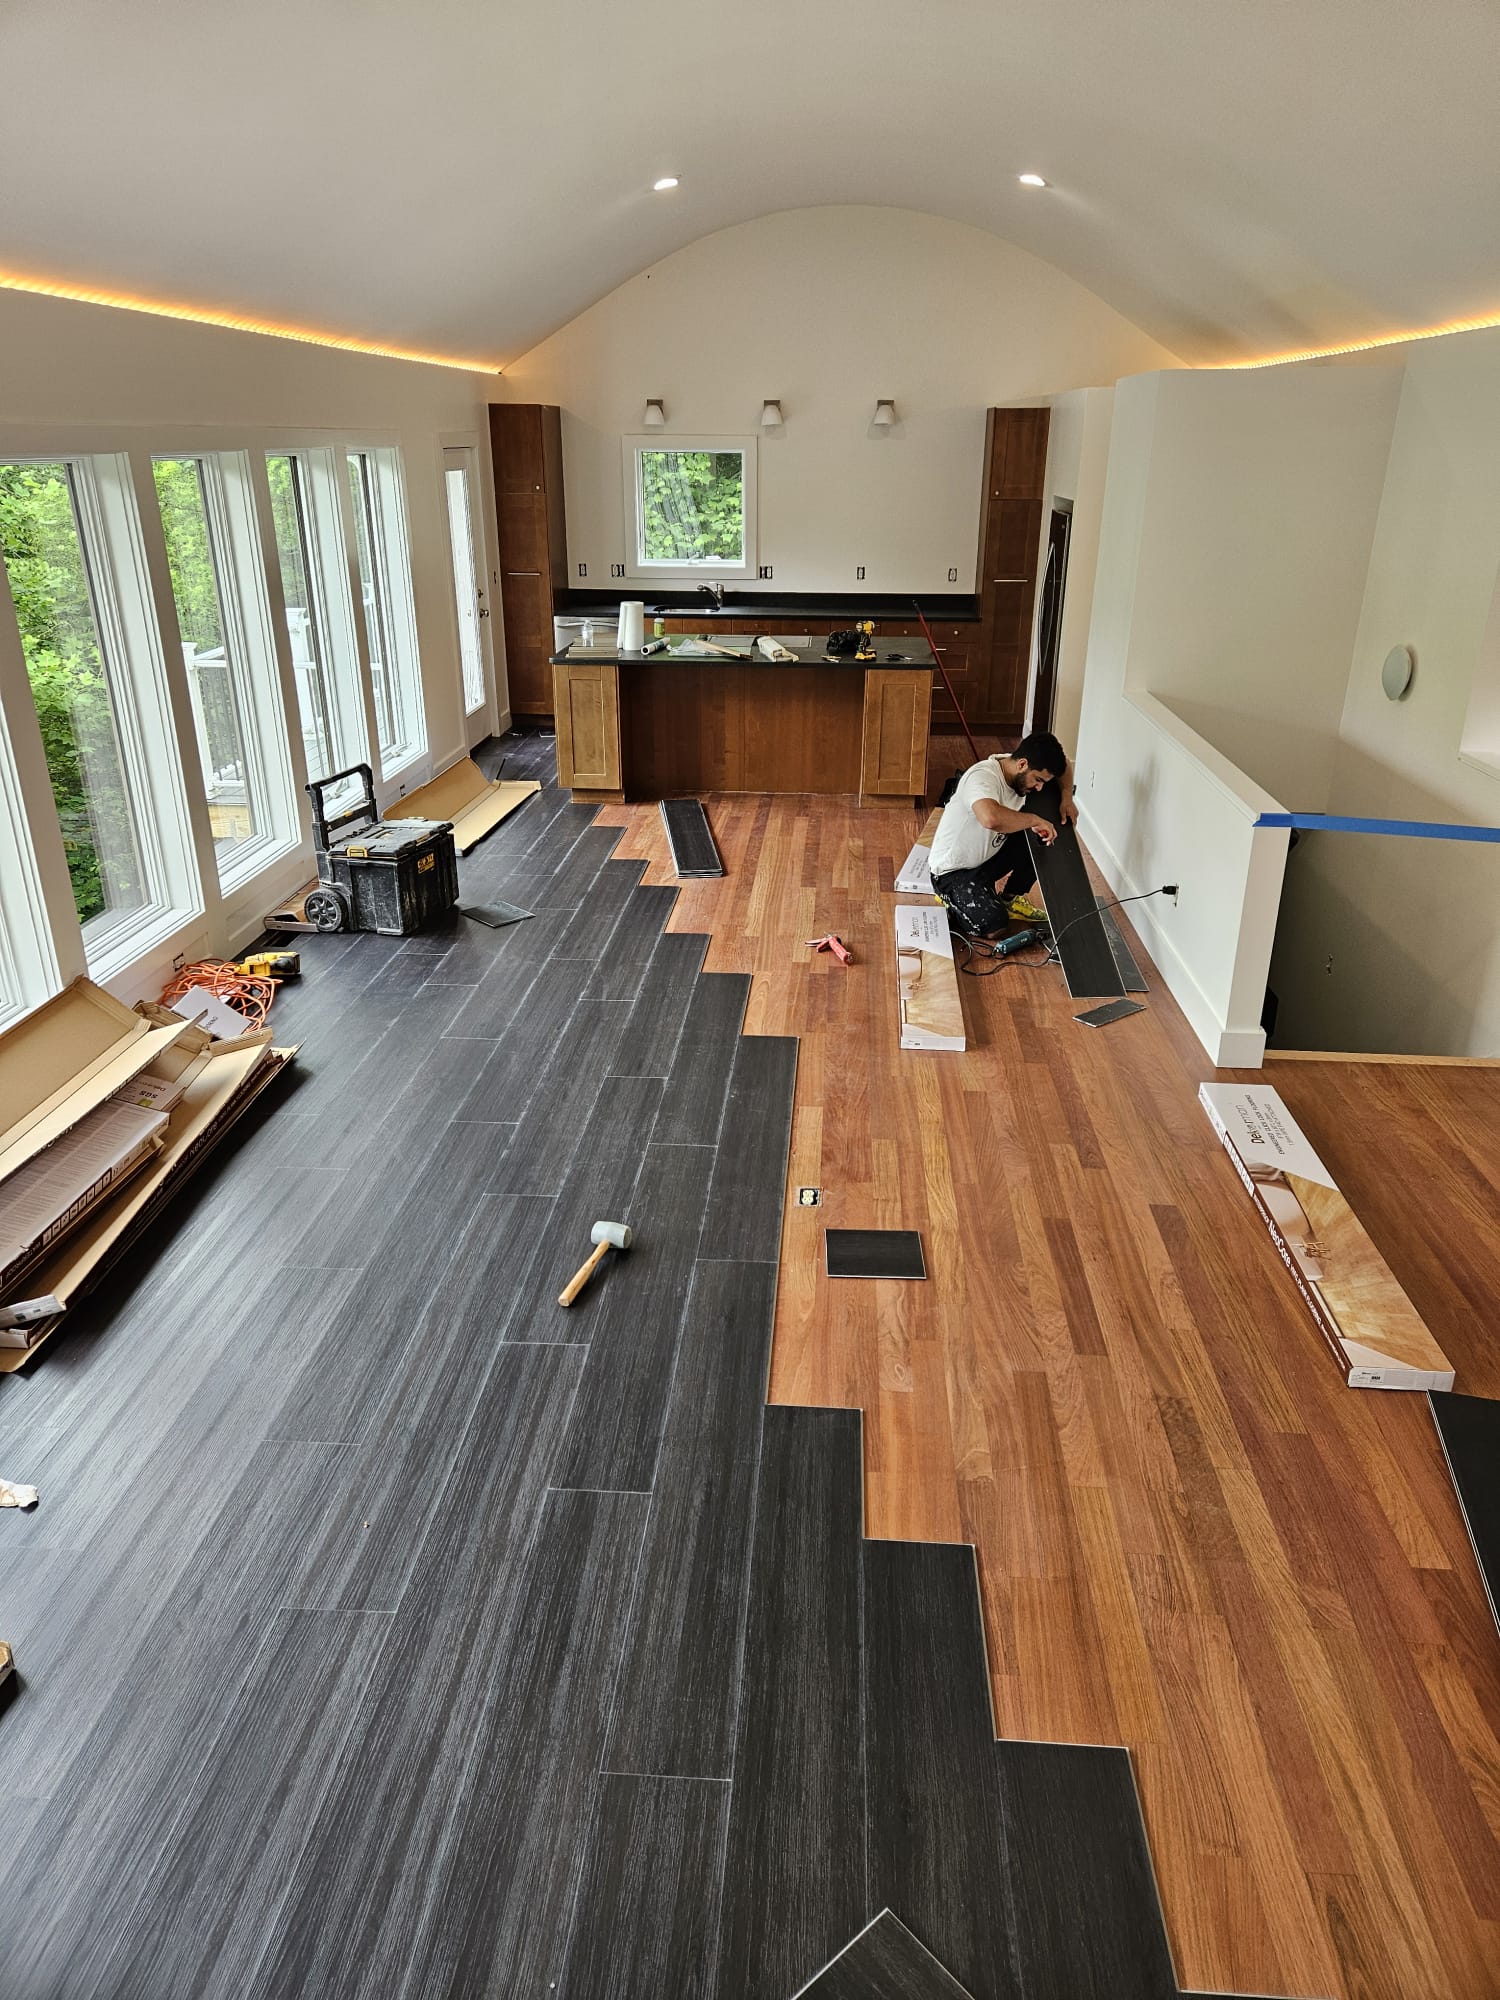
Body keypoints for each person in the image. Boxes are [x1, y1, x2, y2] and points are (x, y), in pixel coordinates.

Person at [928, 731, 1077, 938]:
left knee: (1042, 836)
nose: (1040, 787)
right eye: (1038, 780)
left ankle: (1009, 898)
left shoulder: (1019, 766)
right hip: (953, 871)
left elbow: (1065, 764)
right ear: (1022, 764)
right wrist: (1033, 820)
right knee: (994, 926)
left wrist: (1067, 797)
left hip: (986, 858)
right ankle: (952, 899)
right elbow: (990, 819)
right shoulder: (981, 778)